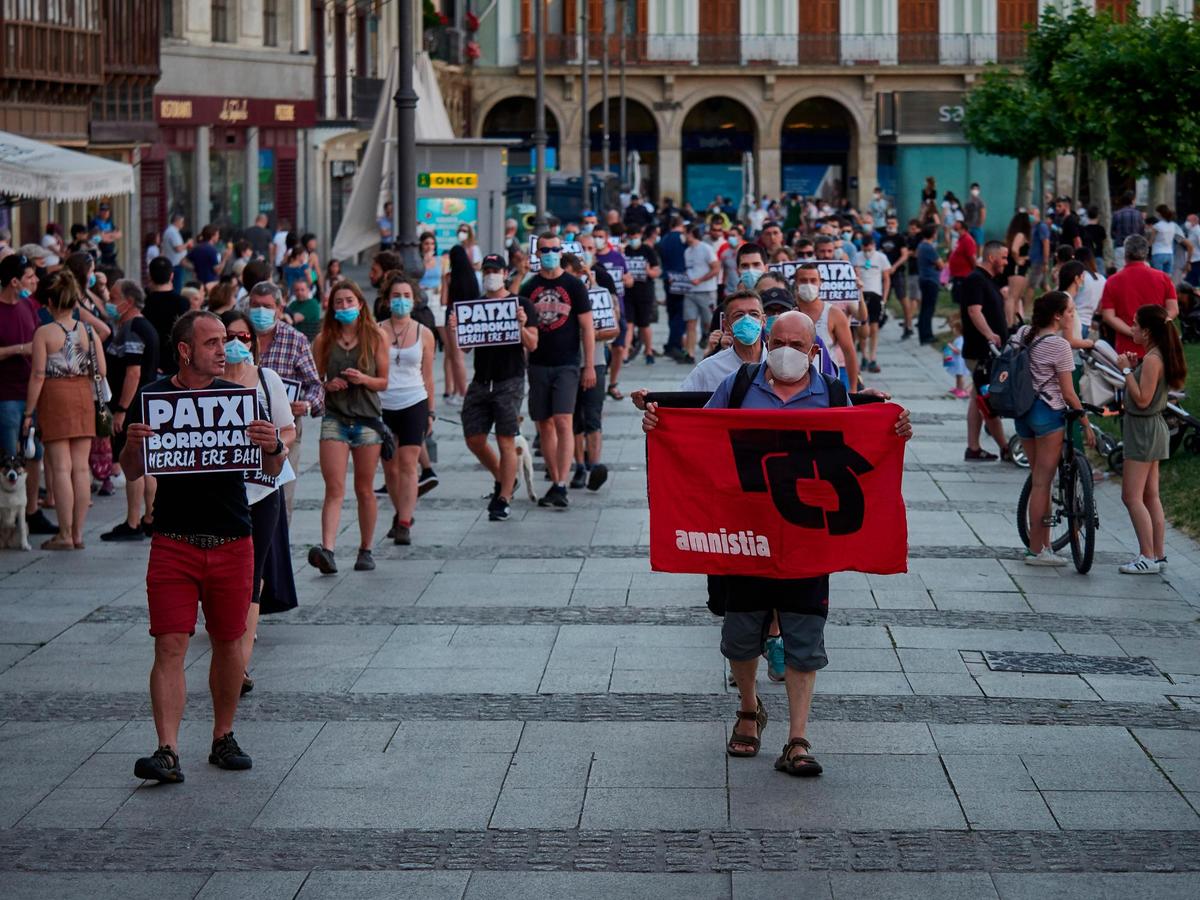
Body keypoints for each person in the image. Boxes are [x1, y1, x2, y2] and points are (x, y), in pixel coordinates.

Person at [640, 310, 912, 776]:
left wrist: (894, 429)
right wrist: (660, 429)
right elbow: (700, 439)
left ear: (813, 350)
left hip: (808, 541)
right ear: (768, 339)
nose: (788, 351)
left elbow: (859, 442)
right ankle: (749, 708)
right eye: (780, 340)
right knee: (741, 636)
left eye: (799, 345)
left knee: (805, 635)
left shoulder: (830, 392)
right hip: (745, 537)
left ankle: (798, 739)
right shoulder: (740, 386)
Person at [120, 309, 286, 784]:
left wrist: (273, 446)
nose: (225, 349)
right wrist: (132, 444)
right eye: (213, 342)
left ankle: (223, 735)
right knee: (169, 645)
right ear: (185, 350)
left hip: (233, 538)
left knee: (229, 643)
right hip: (174, 541)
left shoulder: (240, 398)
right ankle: (167, 749)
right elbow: (131, 470)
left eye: (227, 341)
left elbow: (271, 473)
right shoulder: (153, 398)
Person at [218, 309, 296, 693]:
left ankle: (240, 666)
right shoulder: (202, 385)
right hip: (217, 493)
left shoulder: (268, 380)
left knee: (252, 576)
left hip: (262, 490)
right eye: (226, 336)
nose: (235, 344)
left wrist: (274, 445)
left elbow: (288, 430)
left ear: (254, 342)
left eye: (243, 337)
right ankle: (228, 650)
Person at [309, 281, 388, 574]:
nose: (344, 307)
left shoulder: (375, 336)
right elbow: (313, 381)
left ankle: (365, 549)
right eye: (338, 302)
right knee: (334, 488)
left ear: (360, 304)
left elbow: (383, 381)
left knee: (364, 488)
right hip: (335, 418)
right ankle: (327, 549)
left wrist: (363, 380)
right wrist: (327, 385)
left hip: (367, 419)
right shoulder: (323, 340)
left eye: (349, 301)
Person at [1010, 292, 1094, 566]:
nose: (1072, 316)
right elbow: (1069, 393)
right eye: (1069, 311)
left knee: (1038, 480)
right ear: (1057, 316)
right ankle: (1037, 551)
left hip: (1022, 413)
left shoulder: (1023, 333)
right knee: (1043, 482)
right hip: (1047, 414)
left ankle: (1043, 545)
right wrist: (1085, 423)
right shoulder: (1059, 346)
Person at [451, 255, 538, 520]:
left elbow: (532, 344)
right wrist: (457, 330)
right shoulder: (475, 306)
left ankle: (503, 497)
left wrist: (521, 326)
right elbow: (466, 347)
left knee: (505, 439)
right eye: (486, 270)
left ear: (504, 273)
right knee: (474, 438)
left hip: (509, 379)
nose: (490, 274)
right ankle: (504, 478)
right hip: (481, 380)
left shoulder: (521, 304)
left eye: (495, 270)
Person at [22, 271, 101, 550]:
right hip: (82, 395)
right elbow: (100, 371)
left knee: (60, 467)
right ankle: (78, 534)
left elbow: (38, 375)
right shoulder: (88, 331)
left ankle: (64, 533)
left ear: (52, 302)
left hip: (55, 396)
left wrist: (29, 412)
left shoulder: (44, 333)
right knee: (80, 468)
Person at [520, 232, 596, 509]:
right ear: (537, 254)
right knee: (544, 424)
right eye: (544, 249)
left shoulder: (574, 286)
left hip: (567, 363)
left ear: (560, 251)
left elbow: (587, 328)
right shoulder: (529, 287)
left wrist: (589, 365)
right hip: (538, 363)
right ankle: (555, 480)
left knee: (564, 420)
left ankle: (561, 483)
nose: (550, 253)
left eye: (554, 249)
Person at [1115, 304, 1186, 574]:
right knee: (1150, 494)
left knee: (1131, 496)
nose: (1131, 328)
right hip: (1153, 428)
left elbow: (1143, 400)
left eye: (1134, 324)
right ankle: (1158, 554)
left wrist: (1124, 371)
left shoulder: (1154, 359)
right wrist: (1134, 369)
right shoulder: (1156, 356)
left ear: (1146, 331)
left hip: (1143, 430)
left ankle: (1147, 556)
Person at [249, 280, 324, 524]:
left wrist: (307, 404)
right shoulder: (237, 337)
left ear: (280, 309)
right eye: (255, 305)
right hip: (245, 428)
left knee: (281, 495)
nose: (260, 311)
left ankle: (277, 551)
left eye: (267, 306)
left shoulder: (295, 340)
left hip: (285, 428)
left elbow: (315, 385)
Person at [0, 253, 56, 535]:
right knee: (12, 456)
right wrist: (19, 349)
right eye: (29, 277)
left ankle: (31, 510)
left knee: (35, 454)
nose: (34, 281)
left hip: (32, 391)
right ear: (13, 281)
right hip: (7, 395)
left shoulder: (28, 306)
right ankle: (10, 518)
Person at [101, 280, 160, 541]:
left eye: (114, 297)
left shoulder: (134, 327)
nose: (111, 302)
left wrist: (123, 409)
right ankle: (149, 517)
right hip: (143, 403)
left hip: (135, 405)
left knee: (136, 462)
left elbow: (133, 372)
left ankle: (135, 521)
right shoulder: (135, 325)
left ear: (129, 301)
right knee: (147, 464)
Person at [378, 273, 435, 545]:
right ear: (388, 301)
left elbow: (429, 375)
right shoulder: (377, 331)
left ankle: (403, 523)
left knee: (409, 465)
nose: (401, 301)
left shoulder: (424, 334)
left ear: (414, 300)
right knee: (389, 468)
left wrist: (431, 411)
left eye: (406, 296)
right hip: (383, 404)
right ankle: (402, 510)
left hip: (414, 401)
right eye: (396, 296)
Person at [562, 253, 619, 491]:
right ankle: (579, 466)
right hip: (568, 363)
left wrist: (589, 334)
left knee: (593, 416)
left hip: (595, 361)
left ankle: (594, 465)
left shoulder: (599, 295)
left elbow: (613, 330)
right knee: (574, 418)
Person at [960, 241, 1011, 461]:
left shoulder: (989, 281)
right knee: (987, 399)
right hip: (981, 350)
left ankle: (973, 447)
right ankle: (1005, 447)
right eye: (1004, 257)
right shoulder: (975, 279)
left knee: (977, 398)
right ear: (992, 258)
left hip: (988, 351)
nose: (1006, 263)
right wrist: (989, 334)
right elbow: (974, 311)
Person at [1098, 235, 1179, 359]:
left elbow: (1108, 316)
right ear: (1146, 253)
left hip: (1127, 349)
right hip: (1157, 345)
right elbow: (1173, 310)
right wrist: (1153, 328)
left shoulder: (1113, 281)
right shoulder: (1163, 278)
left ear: (1125, 253)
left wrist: (1133, 331)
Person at [793, 263, 859, 390]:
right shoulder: (788, 314)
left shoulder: (834, 314)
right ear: (796, 282)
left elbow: (849, 352)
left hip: (828, 386)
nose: (808, 284)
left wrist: (854, 388)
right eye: (803, 280)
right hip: (794, 384)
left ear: (820, 282)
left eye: (813, 280)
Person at [143, 257, 190, 376]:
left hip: (151, 363)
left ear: (150, 276)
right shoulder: (182, 303)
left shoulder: (144, 303)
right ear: (172, 276)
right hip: (175, 363)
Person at [441, 244, 475, 404]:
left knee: (456, 357)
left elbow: (443, 300)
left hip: (453, 315)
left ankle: (462, 392)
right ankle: (458, 391)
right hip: (469, 315)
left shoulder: (450, 277)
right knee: (459, 356)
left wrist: (444, 281)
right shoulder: (471, 276)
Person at [682, 225, 719, 363]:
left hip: (706, 290)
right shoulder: (687, 251)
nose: (683, 237)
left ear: (691, 233)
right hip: (690, 291)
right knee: (690, 322)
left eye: (685, 233)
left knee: (709, 323)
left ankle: (710, 351)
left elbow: (716, 268)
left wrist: (701, 279)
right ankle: (690, 353)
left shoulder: (706, 248)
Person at [855, 233, 889, 374]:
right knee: (863, 327)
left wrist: (884, 298)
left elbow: (886, 278)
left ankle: (873, 356)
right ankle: (864, 355)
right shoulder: (857, 257)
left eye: (870, 249)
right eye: (865, 249)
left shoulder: (881, 258)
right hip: (862, 295)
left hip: (876, 294)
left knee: (874, 328)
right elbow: (855, 275)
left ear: (874, 246)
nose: (868, 252)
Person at [658, 216, 688, 359]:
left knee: (672, 312)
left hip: (667, 278)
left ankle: (672, 342)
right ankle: (674, 344)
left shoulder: (664, 239)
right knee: (680, 314)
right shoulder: (682, 239)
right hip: (681, 279)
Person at [915, 224, 943, 345]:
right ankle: (927, 335)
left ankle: (924, 333)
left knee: (924, 308)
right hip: (930, 280)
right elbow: (940, 264)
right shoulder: (929, 247)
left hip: (923, 278)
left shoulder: (921, 245)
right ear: (932, 234)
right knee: (928, 309)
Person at [1003, 211, 1032, 325]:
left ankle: (1014, 321)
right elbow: (1014, 249)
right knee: (1013, 296)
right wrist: (1018, 259)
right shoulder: (1021, 234)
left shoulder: (1016, 234)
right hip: (1017, 268)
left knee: (1016, 297)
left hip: (1019, 268)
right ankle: (1010, 322)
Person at [1149, 205, 1188, 275]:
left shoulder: (1157, 226)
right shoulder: (1173, 225)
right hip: (1170, 254)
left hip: (1158, 253)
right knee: (1167, 278)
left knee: (1158, 277)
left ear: (1159, 214)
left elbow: (1151, 242)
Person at [1110, 191, 1144, 270]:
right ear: (1132, 200)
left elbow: (1112, 233)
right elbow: (1142, 232)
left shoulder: (1116, 214)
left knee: (1120, 272)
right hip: (1135, 248)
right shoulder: (1138, 214)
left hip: (1120, 246)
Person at [285, 277, 321, 343]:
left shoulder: (312, 303)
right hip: (294, 340)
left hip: (308, 342)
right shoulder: (293, 304)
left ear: (308, 290)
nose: (299, 292)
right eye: (297, 290)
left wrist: (284, 315)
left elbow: (295, 318)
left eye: (302, 290)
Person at [1026, 206, 1051, 297]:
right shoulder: (1033, 227)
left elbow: (1046, 243)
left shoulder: (1041, 226)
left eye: (1032, 214)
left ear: (1037, 215)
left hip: (1039, 261)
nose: (1030, 216)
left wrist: (1045, 262)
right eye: (1029, 214)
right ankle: (1057, 303)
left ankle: (1025, 309)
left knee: (1031, 286)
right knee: (1044, 285)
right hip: (1034, 260)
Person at [964, 183, 987, 248]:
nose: (975, 191)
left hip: (977, 227)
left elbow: (983, 214)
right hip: (968, 226)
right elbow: (964, 213)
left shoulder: (981, 202)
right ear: (970, 190)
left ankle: (979, 257)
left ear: (979, 191)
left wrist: (980, 224)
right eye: (973, 189)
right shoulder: (967, 202)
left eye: (976, 189)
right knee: (969, 244)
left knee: (979, 243)